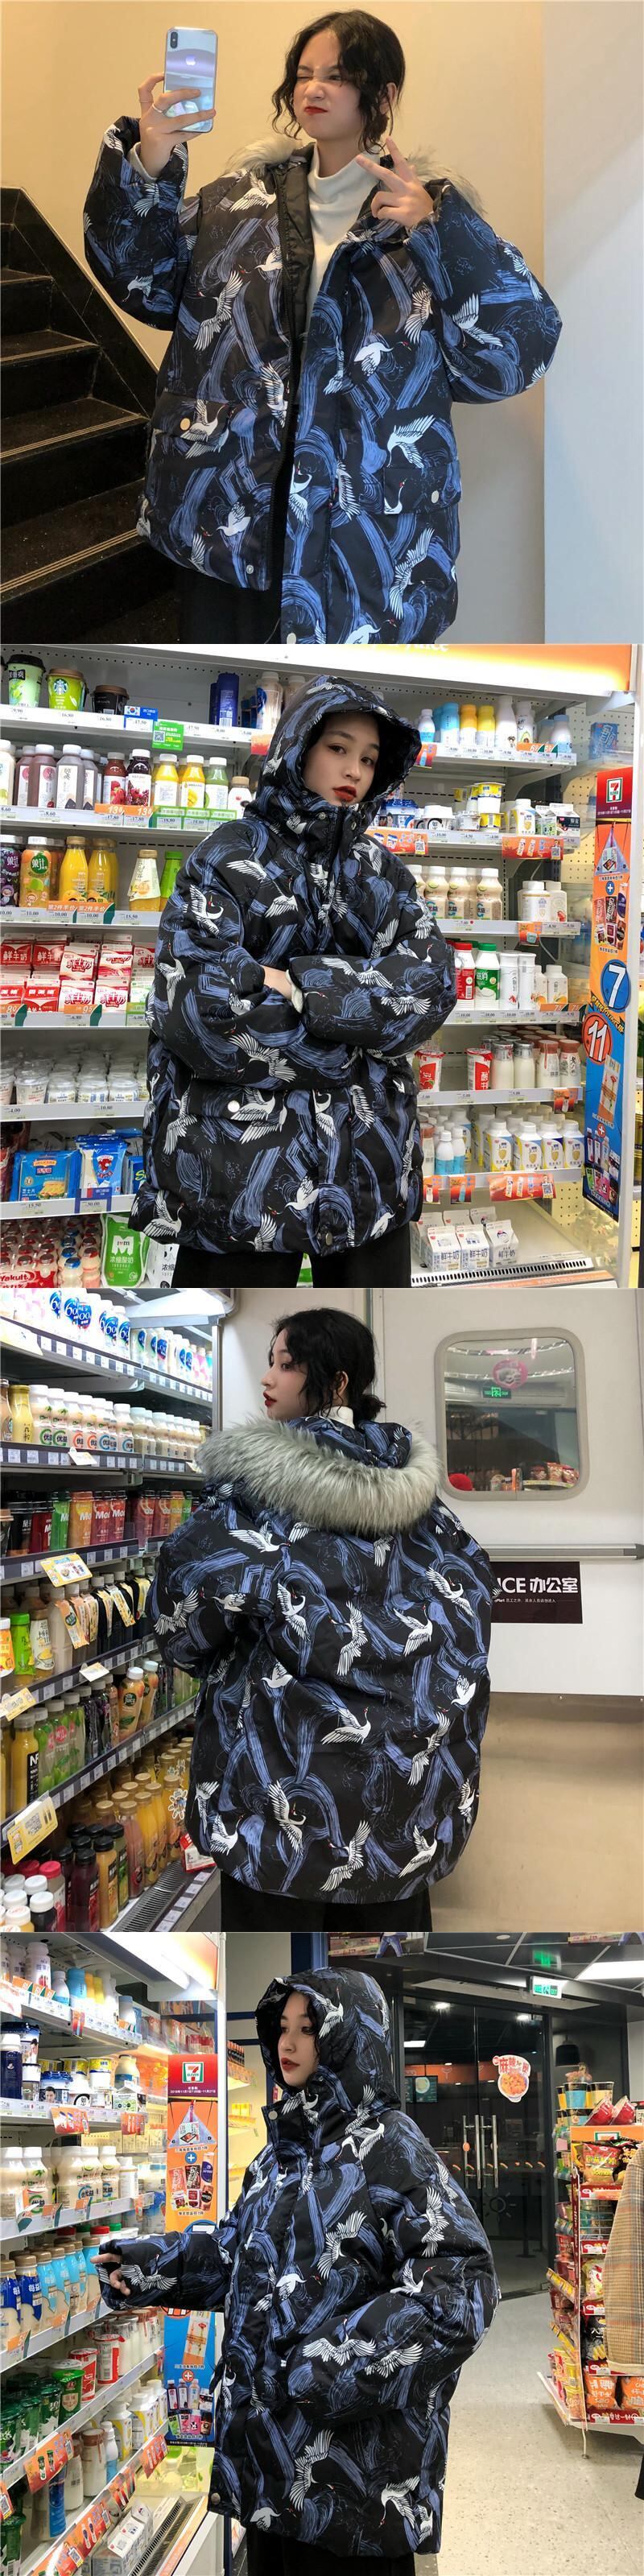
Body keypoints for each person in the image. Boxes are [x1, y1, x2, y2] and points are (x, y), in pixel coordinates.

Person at [83, 8, 561, 646]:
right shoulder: (237, 203)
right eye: (304, 74)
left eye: (337, 76)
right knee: (229, 682)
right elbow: (141, 279)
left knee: (343, 693)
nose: (313, 89)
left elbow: (513, 355)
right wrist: (151, 159)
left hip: (363, 524)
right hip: (231, 507)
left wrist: (441, 230)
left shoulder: (420, 217)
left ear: (382, 95)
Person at [96, 1967, 500, 2567]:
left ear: (348, 2037)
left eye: (308, 2029)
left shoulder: (391, 2147)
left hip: (357, 2494)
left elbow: (461, 2287)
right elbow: (236, 2254)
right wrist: (151, 2266)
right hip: (269, 2475)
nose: (287, 2044)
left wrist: (333, 2364)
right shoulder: (277, 2158)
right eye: (281, 2027)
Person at [149, 1307, 494, 1929]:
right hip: (403, 1801)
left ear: (336, 1383)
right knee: (386, 1947)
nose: (268, 1378)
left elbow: (183, 1611)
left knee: (275, 1930)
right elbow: (471, 1592)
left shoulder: (255, 1494)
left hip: (283, 1796)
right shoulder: (422, 1498)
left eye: (287, 1365)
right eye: (270, 1363)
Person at [130, 675, 456, 1290]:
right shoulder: (226, 858)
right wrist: (357, 1040)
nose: (354, 770)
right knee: (237, 1322)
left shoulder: (382, 873)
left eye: (370, 758)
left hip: (368, 1175)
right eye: (338, 747)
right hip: (238, 1175)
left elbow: (432, 987)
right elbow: (201, 1011)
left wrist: (300, 985)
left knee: (374, 1321)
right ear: (298, 745)